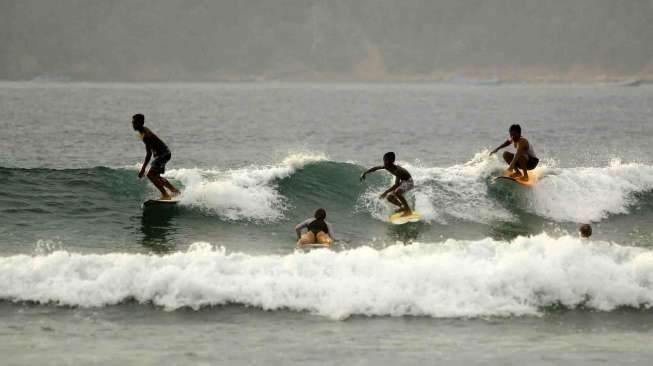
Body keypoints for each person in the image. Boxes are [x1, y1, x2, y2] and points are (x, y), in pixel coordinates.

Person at [132, 114, 180, 200]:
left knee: (150, 175)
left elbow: (149, 153)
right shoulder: (143, 131)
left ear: (140, 123)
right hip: (164, 153)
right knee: (156, 176)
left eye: (134, 122)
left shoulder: (146, 135)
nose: (132, 124)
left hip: (163, 154)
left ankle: (165, 195)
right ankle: (175, 191)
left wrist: (143, 169)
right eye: (132, 122)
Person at [360, 152, 414, 216]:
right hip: (403, 182)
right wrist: (365, 172)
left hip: (409, 182)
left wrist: (385, 192)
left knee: (397, 192)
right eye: (384, 160)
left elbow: (396, 185)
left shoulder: (397, 170)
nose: (385, 162)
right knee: (389, 197)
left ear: (392, 161)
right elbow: (376, 168)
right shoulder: (387, 166)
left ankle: (408, 210)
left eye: (387, 160)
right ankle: (402, 207)